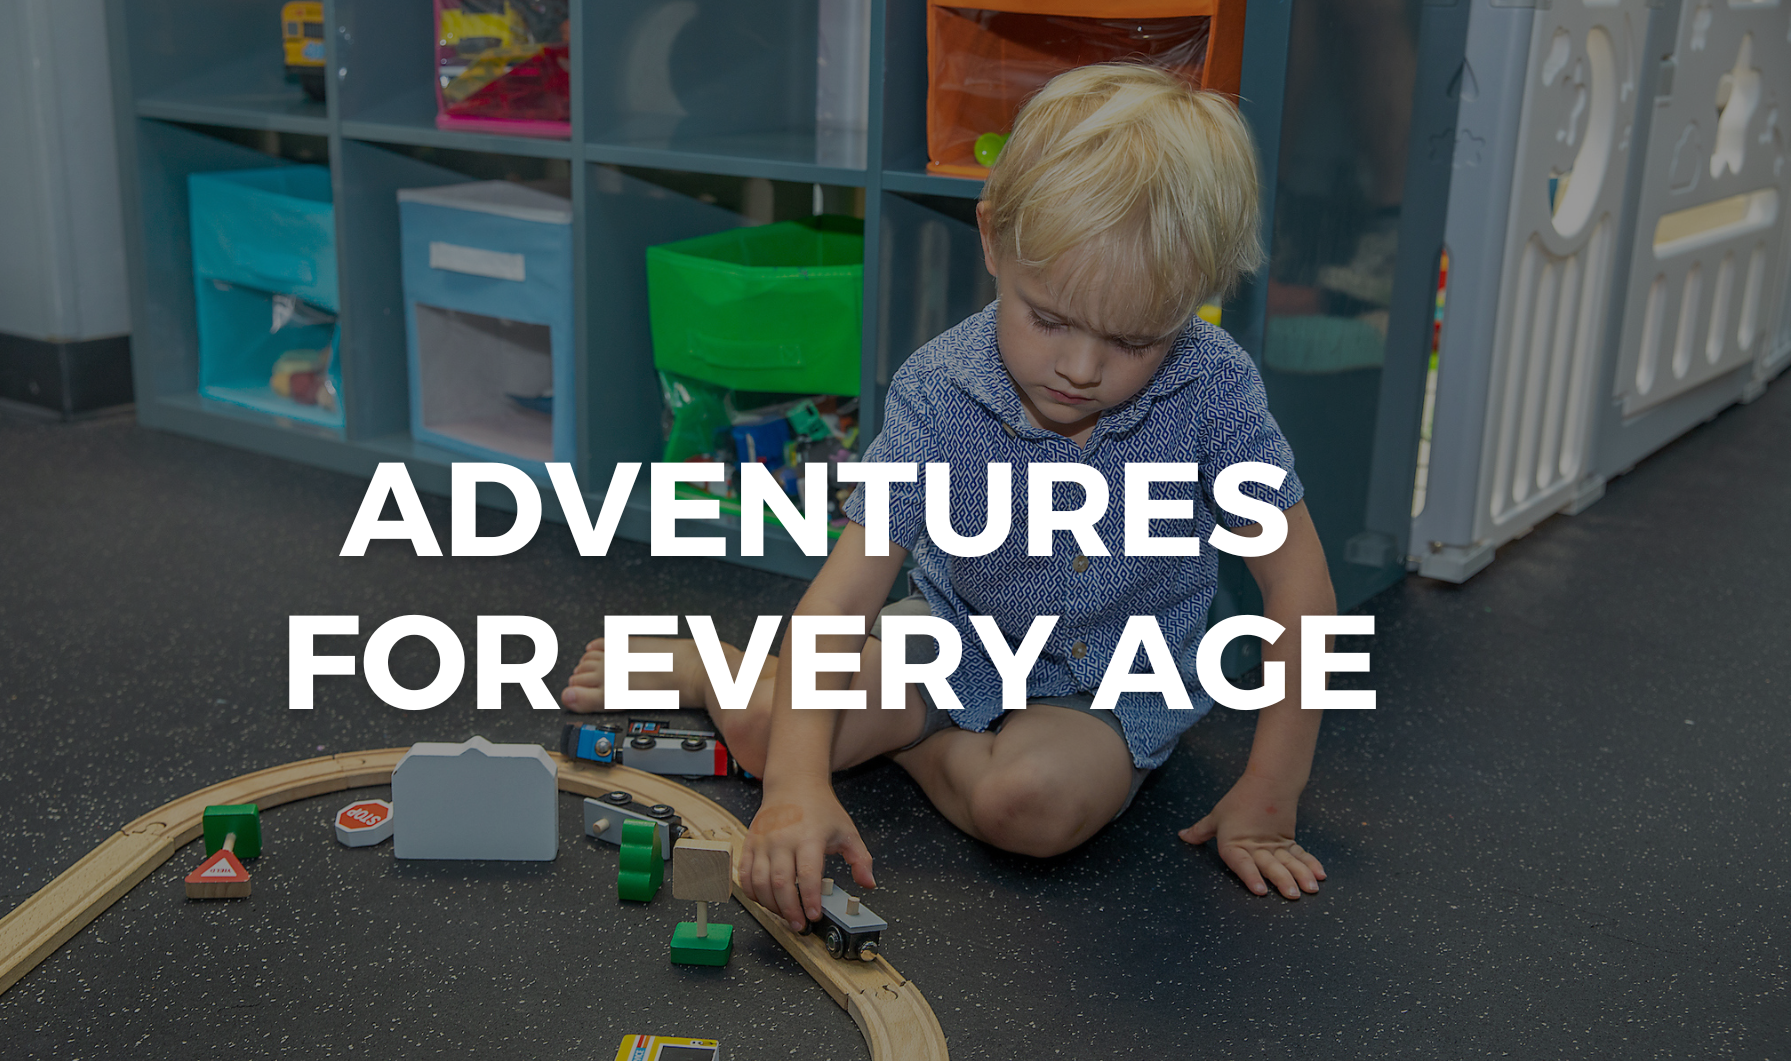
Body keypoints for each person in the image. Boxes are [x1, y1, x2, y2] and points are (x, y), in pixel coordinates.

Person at [562, 64, 1336, 933]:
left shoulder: (1214, 387)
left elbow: (1299, 591)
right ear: (994, 239)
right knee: (769, 738)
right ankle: (710, 666)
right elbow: (842, 598)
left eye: (1133, 340)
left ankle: (913, 743)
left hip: (1116, 678)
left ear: (1192, 302)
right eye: (1050, 320)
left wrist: (1270, 795)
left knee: (1031, 808)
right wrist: (796, 789)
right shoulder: (938, 390)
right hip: (954, 632)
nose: (1081, 368)